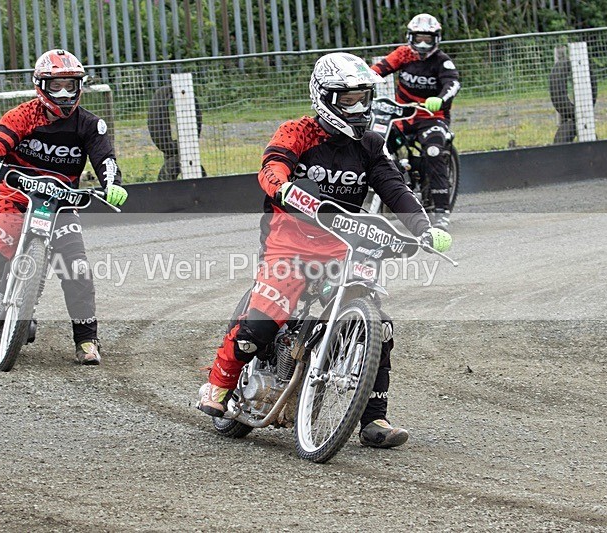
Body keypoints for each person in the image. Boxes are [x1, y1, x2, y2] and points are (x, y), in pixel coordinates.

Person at [196, 52, 452, 448]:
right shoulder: (296, 132)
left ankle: (374, 420)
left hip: (343, 245)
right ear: (324, 98)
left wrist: (424, 228)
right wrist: (283, 187)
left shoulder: (370, 144)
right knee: (261, 325)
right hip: (288, 241)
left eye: (364, 97)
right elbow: (271, 167)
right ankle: (218, 385)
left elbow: (393, 186)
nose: (359, 107)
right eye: (348, 99)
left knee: (377, 326)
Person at [0, 49, 128, 365]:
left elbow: (107, 161)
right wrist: (3, 170)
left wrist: (112, 185)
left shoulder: (90, 124)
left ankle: (87, 339)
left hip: (61, 205)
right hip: (16, 198)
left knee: (77, 271)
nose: (63, 93)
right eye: (56, 86)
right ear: (40, 86)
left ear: (79, 87)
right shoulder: (20, 116)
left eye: (70, 86)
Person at [371, 13, 460, 230]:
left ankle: (441, 213)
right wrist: (357, 83)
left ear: (436, 39)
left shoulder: (442, 62)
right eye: (418, 38)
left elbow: (453, 84)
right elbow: (378, 70)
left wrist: (439, 100)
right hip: (401, 116)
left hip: (432, 118)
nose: (422, 44)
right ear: (410, 37)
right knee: (373, 143)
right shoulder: (403, 54)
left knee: (433, 152)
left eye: (427, 39)